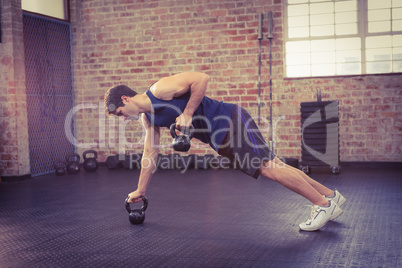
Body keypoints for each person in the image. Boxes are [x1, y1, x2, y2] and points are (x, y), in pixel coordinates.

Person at [104, 72, 346, 231]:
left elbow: (200, 78)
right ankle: (330, 197)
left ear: (125, 98)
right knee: (274, 165)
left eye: (119, 113)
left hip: (228, 122)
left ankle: (322, 204)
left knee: (269, 169)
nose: (122, 118)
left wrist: (187, 113)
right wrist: (140, 190)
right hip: (223, 133)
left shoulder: (158, 90)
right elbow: (150, 155)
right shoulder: (149, 120)